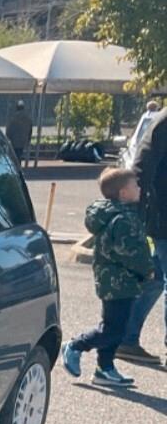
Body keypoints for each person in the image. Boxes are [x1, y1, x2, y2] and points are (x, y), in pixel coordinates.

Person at [62, 166, 156, 387]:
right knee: (114, 328)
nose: (140, 188)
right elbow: (130, 252)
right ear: (124, 192)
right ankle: (76, 345)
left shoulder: (120, 214)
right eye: (135, 185)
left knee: (115, 325)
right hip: (119, 281)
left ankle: (105, 368)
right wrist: (147, 269)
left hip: (118, 280)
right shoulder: (123, 219)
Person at [117, 104, 167, 364]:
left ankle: (125, 338)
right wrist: (134, 211)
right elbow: (142, 165)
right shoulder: (165, 120)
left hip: (159, 215)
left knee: (156, 279)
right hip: (163, 215)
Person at [5, 100, 33, 166]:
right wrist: (28, 139)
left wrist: (8, 137)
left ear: (17, 107)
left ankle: (17, 168)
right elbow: (30, 130)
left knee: (15, 156)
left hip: (14, 140)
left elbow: (9, 130)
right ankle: (18, 167)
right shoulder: (28, 118)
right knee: (19, 154)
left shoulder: (13, 117)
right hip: (23, 140)